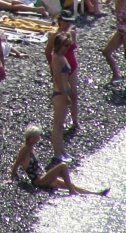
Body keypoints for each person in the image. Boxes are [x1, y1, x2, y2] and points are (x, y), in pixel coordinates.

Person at [10, 125, 110, 195]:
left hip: (44, 177)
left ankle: (95, 193)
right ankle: (72, 191)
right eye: (37, 137)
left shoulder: (30, 147)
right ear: (31, 137)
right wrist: (12, 179)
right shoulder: (25, 148)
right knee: (63, 166)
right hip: (39, 180)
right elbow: (17, 163)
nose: (39, 139)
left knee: (70, 184)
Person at [45, 10, 80, 130]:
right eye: (66, 21)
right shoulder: (55, 36)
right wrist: (53, 66)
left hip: (72, 66)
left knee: (73, 93)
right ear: (60, 21)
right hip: (61, 67)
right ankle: (61, 120)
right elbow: (47, 51)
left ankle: (75, 120)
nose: (68, 24)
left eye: (70, 21)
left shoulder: (72, 33)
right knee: (62, 92)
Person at [48, 32, 74, 162]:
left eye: (68, 46)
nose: (67, 48)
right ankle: (57, 153)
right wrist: (65, 95)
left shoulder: (62, 57)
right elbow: (57, 79)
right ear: (58, 45)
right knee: (57, 125)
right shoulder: (57, 59)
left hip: (64, 93)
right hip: (60, 94)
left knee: (61, 125)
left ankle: (62, 150)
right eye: (65, 45)